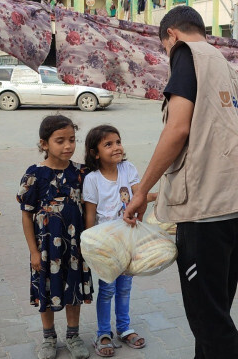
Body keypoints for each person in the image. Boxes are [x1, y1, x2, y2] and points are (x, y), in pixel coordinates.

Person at [122, 6, 238, 359]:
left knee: (210, 323)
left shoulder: (186, 54)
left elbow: (178, 129)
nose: (167, 56)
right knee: (215, 314)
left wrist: (140, 192)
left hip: (206, 208)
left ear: (171, 35)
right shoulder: (230, 70)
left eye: (164, 48)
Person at [16, 115, 93, 359]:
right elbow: (26, 216)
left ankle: (73, 335)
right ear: (44, 143)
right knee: (45, 291)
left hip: (74, 247)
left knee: (73, 291)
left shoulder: (81, 174)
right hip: (46, 248)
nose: (68, 146)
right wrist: (33, 252)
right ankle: (49, 337)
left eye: (72, 139)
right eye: (60, 140)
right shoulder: (34, 175)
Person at [82, 125, 156, 357]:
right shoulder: (92, 179)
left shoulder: (128, 168)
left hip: (128, 240)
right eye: (108, 144)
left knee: (124, 288)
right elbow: (90, 215)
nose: (117, 147)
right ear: (95, 153)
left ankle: (124, 328)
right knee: (106, 290)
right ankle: (103, 333)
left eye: (118, 141)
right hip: (106, 245)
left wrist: (163, 194)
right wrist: (90, 246)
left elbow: (139, 194)